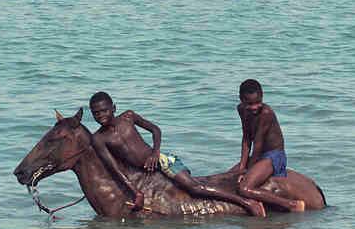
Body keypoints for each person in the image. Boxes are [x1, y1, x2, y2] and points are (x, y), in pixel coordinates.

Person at [89, 92, 266, 216]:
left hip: (163, 161)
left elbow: (155, 130)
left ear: (113, 107)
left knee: (194, 188)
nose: (101, 116)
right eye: (96, 113)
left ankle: (245, 202)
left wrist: (155, 153)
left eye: (104, 110)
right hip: (145, 172)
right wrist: (136, 193)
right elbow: (114, 169)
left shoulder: (128, 117)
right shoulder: (99, 139)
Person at [233, 80, 305, 212]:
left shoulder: (266, 113)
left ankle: (291, 205)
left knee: (244, 188)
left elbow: (258, 144)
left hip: (273, 155)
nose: (255, 107)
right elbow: (246, 138)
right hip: (260, 156)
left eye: (258, 102)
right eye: (250, 104)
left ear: (262, 97)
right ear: (241, 100)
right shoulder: (241, 110)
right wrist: (242, 167)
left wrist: (248, 171)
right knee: (232, 175)